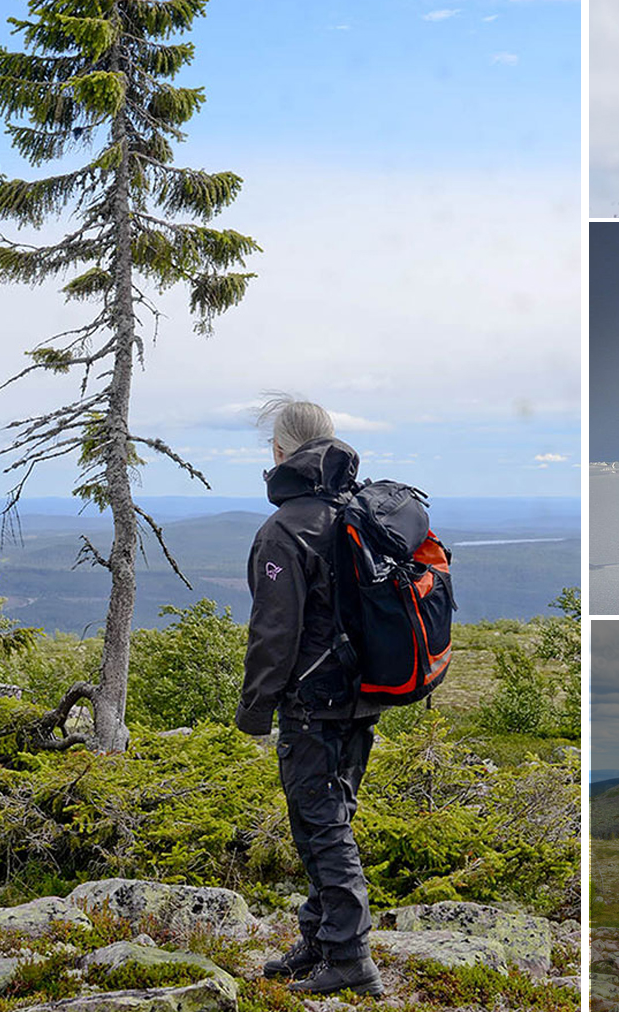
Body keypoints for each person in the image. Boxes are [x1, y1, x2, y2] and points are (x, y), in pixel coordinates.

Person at [235, 396, 384, 999]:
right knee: (332, 816)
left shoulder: (284, 528)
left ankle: (350, 957)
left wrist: (255, 709)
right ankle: (320, 939)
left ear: (279, 451)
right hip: (362, 698)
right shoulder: (357, 511)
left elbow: (276, 632)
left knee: (321, 829)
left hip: (313, 704)